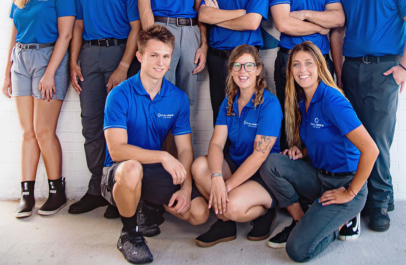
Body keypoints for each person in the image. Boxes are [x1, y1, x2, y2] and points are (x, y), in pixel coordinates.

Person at [330, 0, 406, 232]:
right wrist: (340, 74)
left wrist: (404, 68)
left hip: (384, 71)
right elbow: (338, 32)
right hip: (352, 69)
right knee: (354, 138)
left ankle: (380, 203)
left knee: (377, 140)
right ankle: (370, 197)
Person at [260, 42, 379, 262]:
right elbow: (323, 138)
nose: (302, 69)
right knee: (271, 164)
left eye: (308, 63)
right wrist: (302, 152)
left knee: (297, 250)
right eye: (296, 64)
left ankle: (344, 219)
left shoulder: (332, 100)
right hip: (320, 177)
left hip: (345, 183)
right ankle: (301, 220)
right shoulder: (303, 101)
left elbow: (371, 150)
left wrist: (350, 192)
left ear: (319, 66)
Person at [102, 25, 209, 264]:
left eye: (166, 56)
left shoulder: (177, 98)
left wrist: (186, 188)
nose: (161, 63)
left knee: (199, 213)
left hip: (152, 171)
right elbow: (116, 150)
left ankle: (147, 205)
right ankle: (130, 234)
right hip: (119, 171)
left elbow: (185, 149)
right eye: (154, 55)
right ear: (139, 56)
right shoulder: (119, 95)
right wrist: (163, 156)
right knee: (132, 168)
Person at [68, 0, 141, 218]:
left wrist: (123, 66)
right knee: (90, 124)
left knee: (118, 126)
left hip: (118, 53)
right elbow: (78, 25)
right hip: (88, 54)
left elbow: (136, 27)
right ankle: (96, 189)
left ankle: (116, 191)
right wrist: (74, 61)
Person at [2, 0, 75, 218]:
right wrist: (7, 71)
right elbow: (14, 32)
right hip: (21, 60)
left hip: (48, 59)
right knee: (28, 132)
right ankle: (27, 195)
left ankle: (57, 192)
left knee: (44, 131)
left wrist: (50, 73)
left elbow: (65, 35)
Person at [191, 45, 282, 247]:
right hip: (235, 166)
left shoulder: (270, 104)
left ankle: (265, 212)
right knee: (199, 166)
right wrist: (216, 177)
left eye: (249, 65)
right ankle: (226, 223)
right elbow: (216, 143)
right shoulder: (229, 101)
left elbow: (259, 156)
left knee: (231, 205)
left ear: (258, 70)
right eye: (237, 66)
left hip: (263, 176)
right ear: (231, 70)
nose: (243, 71)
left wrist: (226, 187)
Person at [269, 0, 344, 149]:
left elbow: (338, 19)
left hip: (321, 61)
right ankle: (289, 164)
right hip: (289, 60)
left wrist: (305, 14)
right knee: (290, 117)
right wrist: (319, 27)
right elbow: (283, 23)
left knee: (323, 116)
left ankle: (319, 163)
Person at [198, 0, 269, 126]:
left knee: (247, 117)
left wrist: (217, 16)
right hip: (217, 59)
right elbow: (204, 14)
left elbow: (252, 22)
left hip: (246, 61)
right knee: (220, 116)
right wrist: (241, 12)